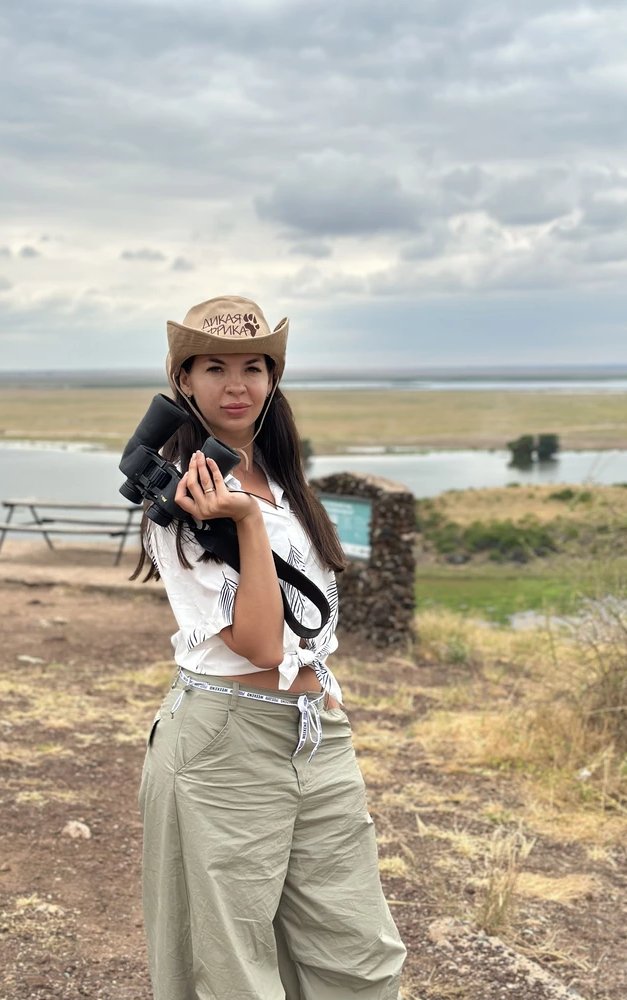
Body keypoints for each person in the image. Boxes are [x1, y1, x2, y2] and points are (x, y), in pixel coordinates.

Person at [133, 295, 407, 1000]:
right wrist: (245, 527)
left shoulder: (282, 483)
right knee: (232, 975)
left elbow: (307, 621)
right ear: (183, 380)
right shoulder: (180, 504)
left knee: (361, 959)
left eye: (254, 367)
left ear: (273, 380)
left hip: (317, 739)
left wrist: (255, 514)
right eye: (214, 367)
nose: (237, 384)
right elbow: (256, 643)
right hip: (224, 742)